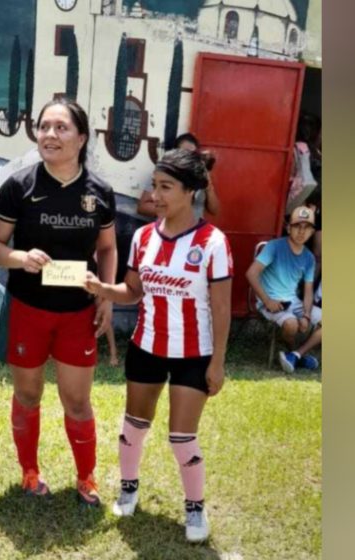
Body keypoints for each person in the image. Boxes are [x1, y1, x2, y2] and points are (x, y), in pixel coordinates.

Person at [84, 148, 233, 543]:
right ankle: (128, 488)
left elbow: (221, 310)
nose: (156, 196)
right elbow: (132, 291)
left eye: (166, 187)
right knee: (134, 426)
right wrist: (103, 289)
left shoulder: (213, 242)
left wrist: (217, 362)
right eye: (154, 186)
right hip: (147, 347)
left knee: (182, 437)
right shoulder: (143, 237)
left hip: (193, 354)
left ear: (191, 191)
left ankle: (196, 509)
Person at [0, 98, 117, 506]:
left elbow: (108, 248)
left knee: (77, 400)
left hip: (78, 313)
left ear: (80, 138)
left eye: (61, 128)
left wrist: (107, 295)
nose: (49, 135)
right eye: (44, 127)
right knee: (28, 395)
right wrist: (20, 258)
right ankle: (29, 472)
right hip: (28, 309)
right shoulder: (17, 187)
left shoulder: (100, 192)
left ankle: (86, 478)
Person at [245, 206, 322, 374]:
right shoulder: (274, 246)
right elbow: (251, 273)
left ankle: (296, 354)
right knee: (291, 325)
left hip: (293, 302)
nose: (302, 232)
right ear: (289, 228)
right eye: (297, 226)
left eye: (307, 228)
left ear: (312, 232)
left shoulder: (308, 257)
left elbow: (308, 290)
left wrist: (307, 315)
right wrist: (267, 301)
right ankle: (296, 354)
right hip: (271, 301)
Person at [136, 133, 221, 219]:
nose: (186, 157)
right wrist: (172, 210)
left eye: (191, 153)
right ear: (175, 152)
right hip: (169, 229)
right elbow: (142, 207)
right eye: (183, 152)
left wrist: (209, 188)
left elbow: (214, 210)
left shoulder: (200, 173)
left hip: (196, 229)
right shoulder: (163, 174)